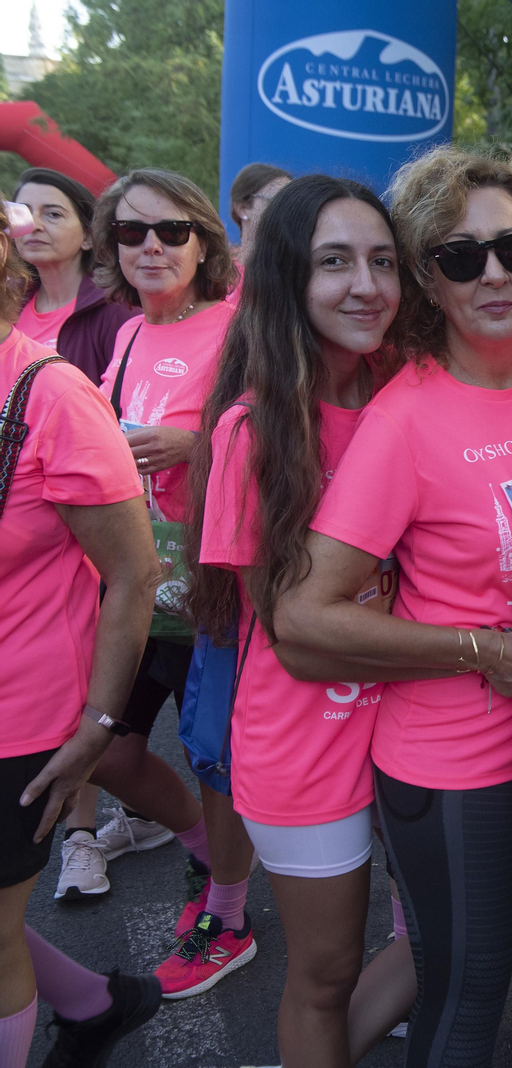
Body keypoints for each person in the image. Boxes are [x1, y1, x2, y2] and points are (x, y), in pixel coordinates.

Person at [275, 146, 512, 1067]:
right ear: (427, 277)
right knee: (464, 997)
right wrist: (480, 651)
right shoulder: (405, 418)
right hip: (456, 757)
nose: (495, 273)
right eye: (462, 257)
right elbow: (303, 616)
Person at [185, 175, 419, 1066]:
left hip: (418, 729)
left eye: (382, 261)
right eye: (334, 262)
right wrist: (480, 650)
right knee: (322, 976)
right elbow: (299, 640)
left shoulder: (410, 395)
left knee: (451, 944)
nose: (366, 284)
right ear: (287, 276)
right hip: (306, 745)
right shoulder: (256, 430)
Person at [0, 198, 164, 1068]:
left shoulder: (48, 391)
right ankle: (97, 1003)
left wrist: (99, 727)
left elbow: (136, 574)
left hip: (23, 721)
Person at [69, 171, 238, 943]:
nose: (151, 246)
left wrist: (195, 445)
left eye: (171, 231)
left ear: (202, 242)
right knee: (103, 747)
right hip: (135, 582)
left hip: (212, 580)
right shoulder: (130, 330)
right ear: (111, 246)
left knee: (214, 763)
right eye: (131, 233)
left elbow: (295, 439)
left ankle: (226, 907)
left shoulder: (239, 324)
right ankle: (203, 854)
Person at [12, 168, 137, 379]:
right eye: (23, 214)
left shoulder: (116, 309)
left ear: (89, 236)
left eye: (53, 214)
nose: (34, 226)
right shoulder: (10, 304)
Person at [228, 163, 291, 264]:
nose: (286, 209)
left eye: (290, 201)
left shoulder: (299, 268)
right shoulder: (218, 273)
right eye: (275, 200)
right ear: (242, 209)